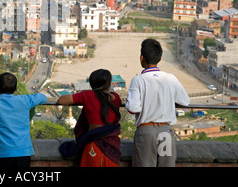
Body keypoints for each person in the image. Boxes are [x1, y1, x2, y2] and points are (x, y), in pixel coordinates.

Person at [125, 38, 190, 167]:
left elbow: (133, 108)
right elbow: (185, 101)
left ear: (141, 58)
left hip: (146, 132)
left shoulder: (138, 80)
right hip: (166, 131)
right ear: (160, 59)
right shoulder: (170, 78)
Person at [0, 72, 47, 167]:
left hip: (3, 153)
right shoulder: (25, 100)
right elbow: (43, 98)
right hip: (23, 152)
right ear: (16, 89)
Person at [57, 69, 122, 167]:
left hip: (93, 146)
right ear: (109, 84)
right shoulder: (116, 98)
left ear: (91, 84)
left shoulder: (88, 95)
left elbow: (61, 100)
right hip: (112, 148)